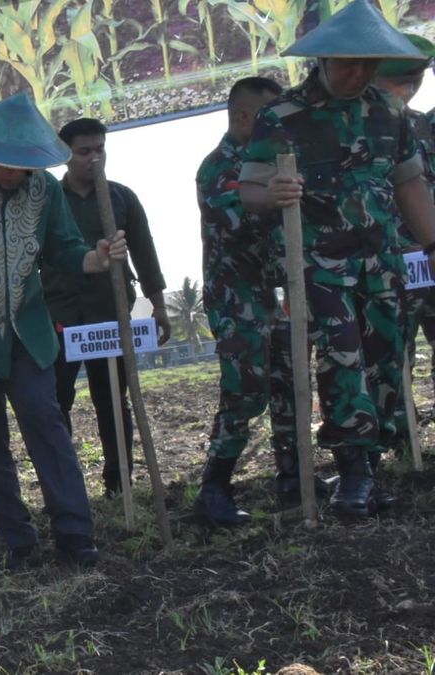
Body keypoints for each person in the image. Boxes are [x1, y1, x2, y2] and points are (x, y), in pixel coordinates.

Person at [239, 0, 435, 518]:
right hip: (318, 267)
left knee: (386, 358)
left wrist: (433, 243)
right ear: (321, 61)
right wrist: (275, 192)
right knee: (342, 355)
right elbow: (250, 192)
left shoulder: (388, 113)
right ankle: (351, 472)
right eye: (348, 64)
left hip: (380, 261)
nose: (358, 74)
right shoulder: (280, 117)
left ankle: (368, 467)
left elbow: (408, 181)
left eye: (368, 64)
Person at [0, 93, 127, 570]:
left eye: (24, 165)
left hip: (29, 336)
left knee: (47, 427)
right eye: (6, 165)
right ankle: (19, 540)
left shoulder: (44, 189)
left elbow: (64, 248)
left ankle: (76, 534)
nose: (16, 174)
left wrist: (95, 259)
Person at [192, 76, 320, 526]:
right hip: (236, 298)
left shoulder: (266, 160)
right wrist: (276, 195)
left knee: (291, 385)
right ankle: (214, 490)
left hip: (276, 292)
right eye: (269, 116)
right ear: (245, 116)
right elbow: (242, 212)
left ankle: (293, 476)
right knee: (245, 392)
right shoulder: (218, 167)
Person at [43, 117, 170, 498]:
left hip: (108, 312)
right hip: (59, 317)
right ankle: (66, 485)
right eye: (84, 152)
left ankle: (120, 482)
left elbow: (145, 255)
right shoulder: (48, 200)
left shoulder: (121, 197)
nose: (94, 158)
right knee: (56, 401)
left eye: (100, 149)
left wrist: (159, 307)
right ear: (66, 155)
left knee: (113, 399)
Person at [374, 34, 435, 461]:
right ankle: (401, 440)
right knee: (393, 356)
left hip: (429, 256)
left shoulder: (426, 126)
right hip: (391, 262)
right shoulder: (367, 131)